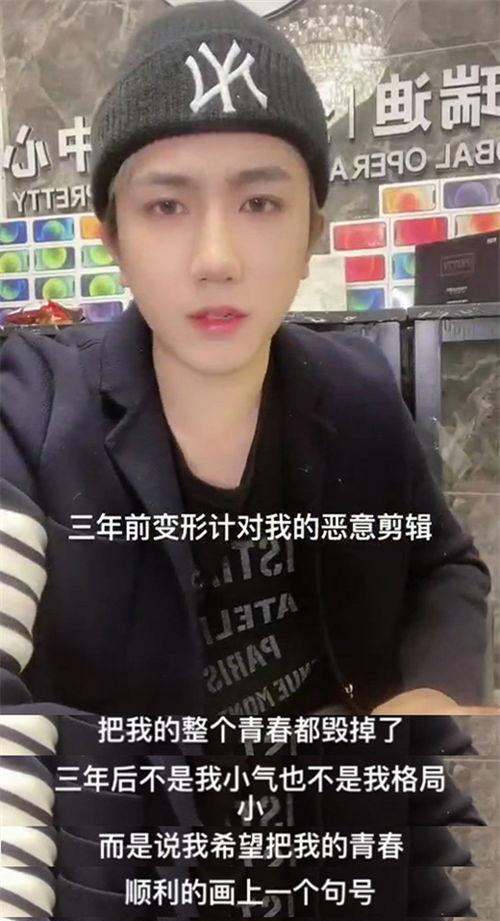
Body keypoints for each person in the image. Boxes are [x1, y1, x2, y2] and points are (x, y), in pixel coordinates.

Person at [0, 0, 493, 730]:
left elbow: (441, 565)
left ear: (311, 234)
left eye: (260, 203)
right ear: (114, 242)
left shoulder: (357, 391)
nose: (217, 260)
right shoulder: (28, 415)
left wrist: (434, 693)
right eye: (167, 207)